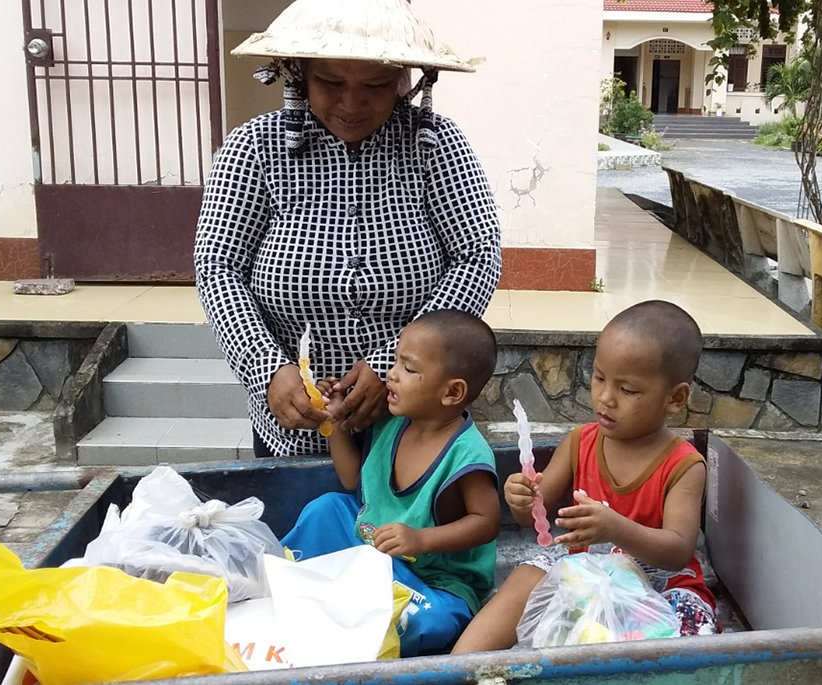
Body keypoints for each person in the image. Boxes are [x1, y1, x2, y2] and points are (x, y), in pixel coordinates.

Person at [194, 0, 502, 458]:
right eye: (331, 82)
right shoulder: (254, 147)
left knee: (407, 529)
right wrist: (266, 369)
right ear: (299, 73)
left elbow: (477, 255)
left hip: (416, 428)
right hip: (298, 426)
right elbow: (218, 266)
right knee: (310, 527)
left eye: (375, 85)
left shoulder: (435, 144)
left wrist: (393, 367)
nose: (352, 103)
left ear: (404, 80)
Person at [452, 300, 718, 653]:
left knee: (691, 630)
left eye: (627, 390)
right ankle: (463, 664)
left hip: (657, 584)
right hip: (585, 572)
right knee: (529, 574)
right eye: (599, 377)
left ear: (675, 398)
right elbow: (536, 517)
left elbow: (678, 551)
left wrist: (616, 528)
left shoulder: (683, 465)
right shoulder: (581, 441)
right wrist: (521, 497)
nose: (605, 397)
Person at [280, 309, 502, 656]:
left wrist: (421, 539)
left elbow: (486, 522)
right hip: (375, 547)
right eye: (396, 362)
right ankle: (293, 583)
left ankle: (347, 612)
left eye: (408, 368)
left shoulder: (466, 454)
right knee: (326, 508)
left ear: (452, 392)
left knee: (436, 621)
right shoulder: (394, 422)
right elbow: (354, 480)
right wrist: (336, 421)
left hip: (433, 581)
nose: (391, 374)